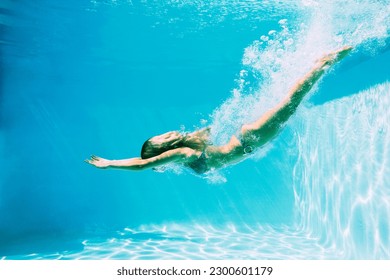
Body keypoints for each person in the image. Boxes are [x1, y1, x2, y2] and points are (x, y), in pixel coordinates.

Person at [86, 46, 352, 174]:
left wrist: (111, 163)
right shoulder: (182, 154)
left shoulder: (184, 153)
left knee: (291, 103)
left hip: (251, 140)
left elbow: (145, 164)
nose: (167, 134)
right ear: (163, 150)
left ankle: (322, 64)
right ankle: (318, 65)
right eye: (162, 139)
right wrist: (113, 162)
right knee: (288, 102)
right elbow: (146, 163)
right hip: (247, 138)